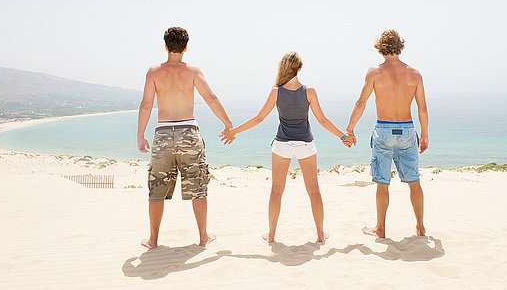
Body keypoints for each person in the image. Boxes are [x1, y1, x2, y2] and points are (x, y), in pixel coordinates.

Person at [221, 52, 351, 243]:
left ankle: (271, 235)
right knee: (314, 191)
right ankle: (320, 235)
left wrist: (234, 132)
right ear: (299, 68)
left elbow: (258, 118)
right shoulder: (309, 91)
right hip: (305, 144)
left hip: (282, 144)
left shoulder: (276, 91)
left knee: (276, 191)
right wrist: (343, 136)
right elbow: (322, 120)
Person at [137, 27, 233, 248]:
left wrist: (141, 135)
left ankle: (153, 240)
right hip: (189, 132)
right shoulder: (193, 71)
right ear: (186, 47)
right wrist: (227, 123)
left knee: (157, 187)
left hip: (162, 133)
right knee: (198, 186)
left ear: (165, 46)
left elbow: (146, 105)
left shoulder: (153, 72)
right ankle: (203, 237)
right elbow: (210, 98)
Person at [345, 30, 429, 238]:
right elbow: (422, 108)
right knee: (414, 182)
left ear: (380, 47)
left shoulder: (374, 73)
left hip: (383, 129)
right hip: (408, 129)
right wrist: (425, 135)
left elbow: (360, 103)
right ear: (399, 46)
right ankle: (420, 227)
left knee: (382, 183)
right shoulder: (415, 74)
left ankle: (380, 228)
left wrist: (350, 129)